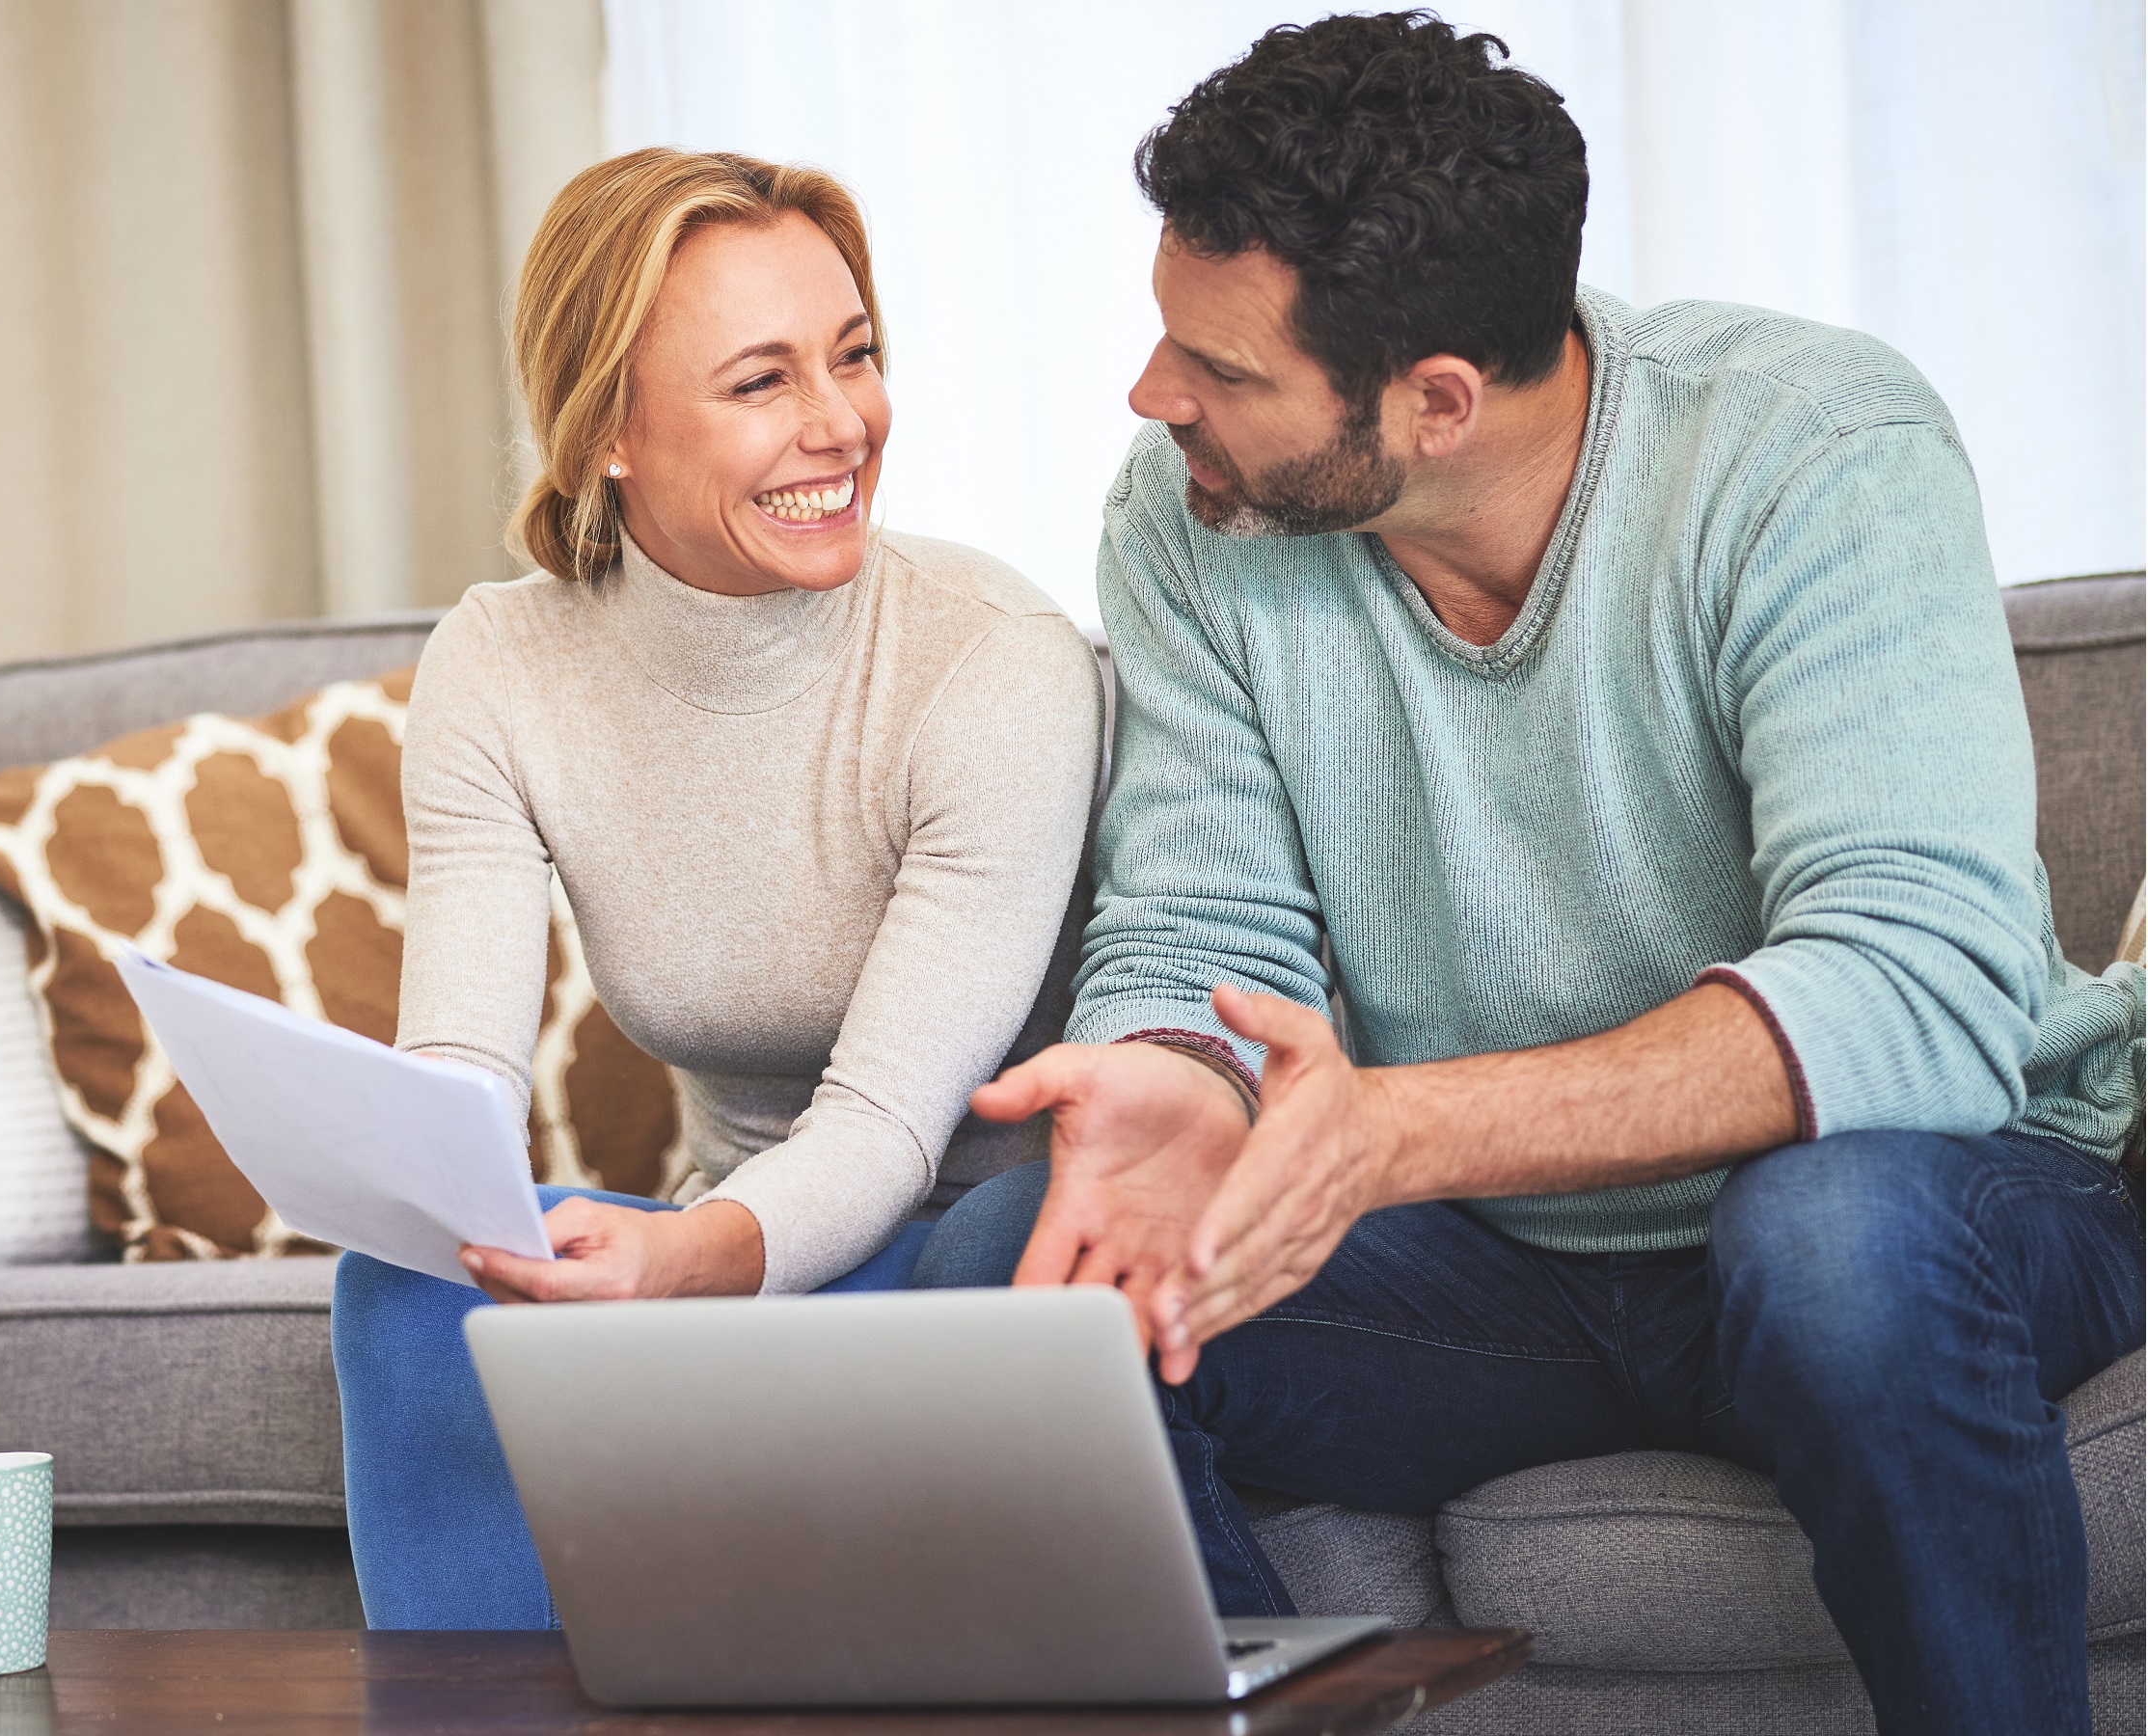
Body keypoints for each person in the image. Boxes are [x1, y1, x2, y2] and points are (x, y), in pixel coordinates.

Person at [909, 15, 2143, 1734]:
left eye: (1223, 368)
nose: (1152, 394)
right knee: (1007, 1278)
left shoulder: (1810, 452)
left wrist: (1403, 1132)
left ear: (1435, 401)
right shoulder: (1191, 511)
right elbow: (1198, 922)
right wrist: (1180, 1078)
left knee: (1829, 1231)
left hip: (1943, 1201)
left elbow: (1916, 997)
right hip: (1506, 1276)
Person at [331, 148, 1103, 1630]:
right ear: (610, 427)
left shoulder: (991, 658)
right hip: (720, 1227)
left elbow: (885, 1130)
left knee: (907, 1297)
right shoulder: (501, 665)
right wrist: (434, 1189)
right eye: (762, 382)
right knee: (404, 1287)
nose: (842, 425)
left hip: (969, 1249)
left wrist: (689, 1262)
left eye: (856, 356)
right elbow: (463, 1068)